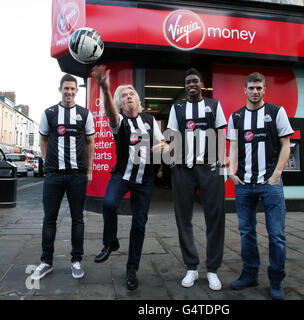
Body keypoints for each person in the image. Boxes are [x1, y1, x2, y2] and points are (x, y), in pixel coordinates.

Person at [91, 65, 167, 290]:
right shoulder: (120, 121)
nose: (129, 97)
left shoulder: (149, 120)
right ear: (120, 103)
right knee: (109, 204)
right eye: (123, 96)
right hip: (123, 174)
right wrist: (105, 89)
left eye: (131, 93)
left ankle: (131, 269)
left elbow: (162, 142)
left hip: (145, 180)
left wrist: (161, 147)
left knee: (139, 225)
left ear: (137, 99)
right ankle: (110, 243)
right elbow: (110, 114)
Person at [227, 72, 293, 300]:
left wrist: (276, 175)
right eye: (251, 88)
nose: (255, 91)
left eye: (259, 88)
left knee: (276, 235)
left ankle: (276, 280)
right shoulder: (235, 116)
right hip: (244, 184)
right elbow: (233, 147)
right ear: (244, 90)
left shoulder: (277, 112)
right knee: (247, 233)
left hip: (270, 184)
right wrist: (231, 172)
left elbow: (286, 145)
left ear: (264, 90)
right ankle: (250, 274)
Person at [167, 68, 227, 291]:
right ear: (185, 86)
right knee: (183, 218)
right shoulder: (178, 107)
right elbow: (171, 135)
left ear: (202, 84)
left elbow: (221, 133)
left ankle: (212, 269)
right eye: (188, 82)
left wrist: (220, 163)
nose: (191, 84)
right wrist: (172, 162)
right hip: (183, 169)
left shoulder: (214, 105)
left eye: (195, 81)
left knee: (215, 218)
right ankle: (191, 267)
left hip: (210, 168)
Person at [32, 74, 95, 281]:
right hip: (54, 176)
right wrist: (46, 161)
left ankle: (76, 260)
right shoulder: (49, 113)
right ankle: (46, 261)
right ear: (60, 89)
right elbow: (43, 139)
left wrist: (89, 170)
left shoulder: (84, 114)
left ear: (77, 91)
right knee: (49, 219)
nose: (69, 92)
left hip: (77, 176)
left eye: (72, 89)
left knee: (77, 219)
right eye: (66, 88)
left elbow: (89, 143)